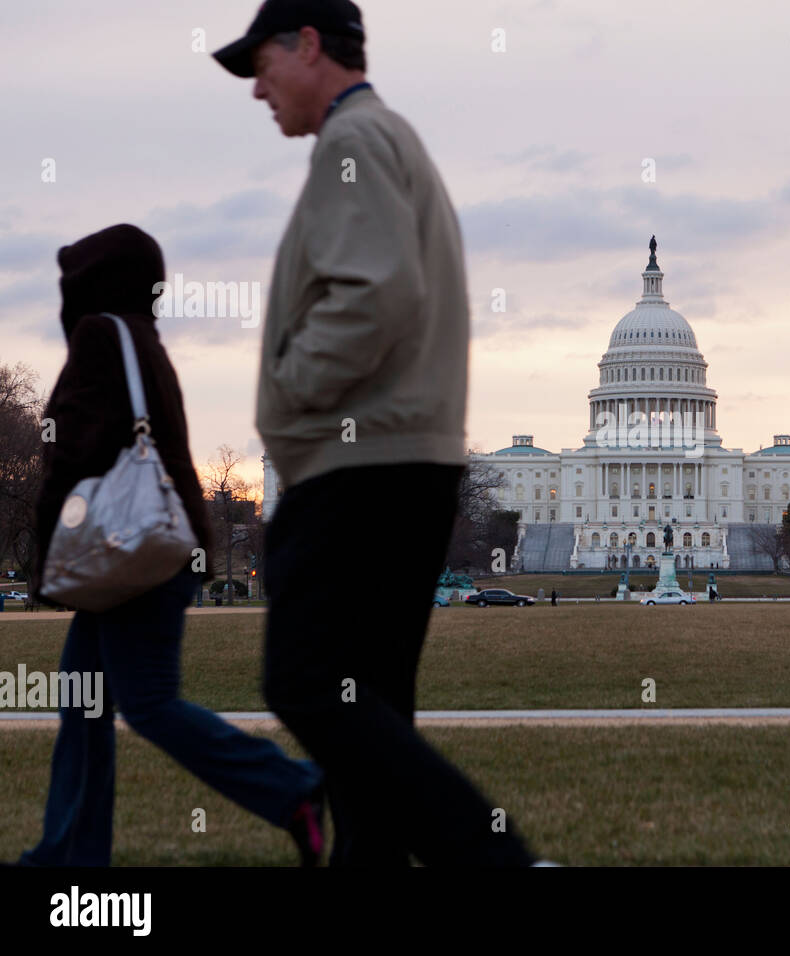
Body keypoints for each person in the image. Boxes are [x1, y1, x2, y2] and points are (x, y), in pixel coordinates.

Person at [214, 0, 535, 866]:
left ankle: (498, 859)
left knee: (307, 683)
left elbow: (374, 296)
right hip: (404, 462)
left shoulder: (354, 147)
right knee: (373, 707)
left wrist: (290, 394)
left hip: (360, 466)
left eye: (261, 66)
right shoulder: (391, 141)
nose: (257, 91)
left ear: (309, 44)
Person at [20, 224, 324, 867]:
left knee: (149, 704)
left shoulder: (102, 337)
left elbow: (71, 447)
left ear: (91, 285)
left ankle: (294, 790)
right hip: (152, 547)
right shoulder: (143, 340)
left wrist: (46, 549)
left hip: (134, 554)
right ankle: (68, 858)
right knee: (85, 705)